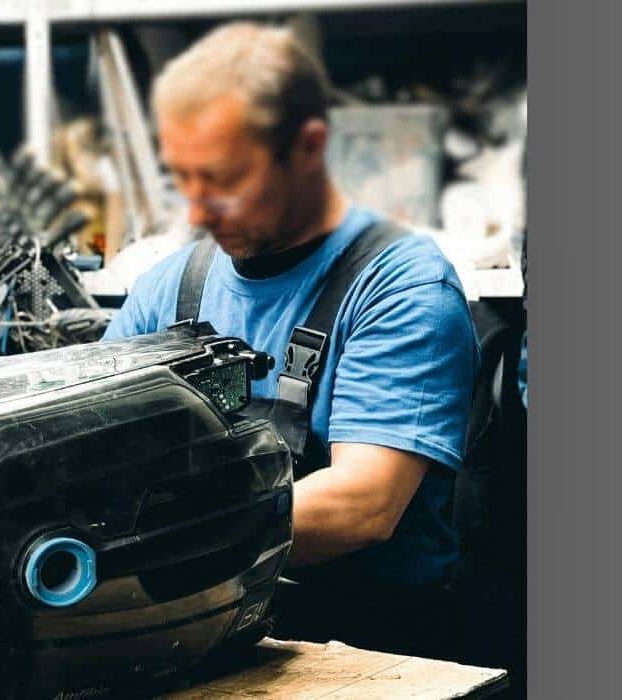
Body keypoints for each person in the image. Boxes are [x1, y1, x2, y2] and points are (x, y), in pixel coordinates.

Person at [101, 21, 479, 660]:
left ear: (307, 149)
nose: (197, 211)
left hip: (375, 646)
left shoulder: (401, 284)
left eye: (223, 179)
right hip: (208, 635)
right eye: (184, 180)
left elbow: (364, 505)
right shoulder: (169, 288)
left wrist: (146, 540)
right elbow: (93, 442)